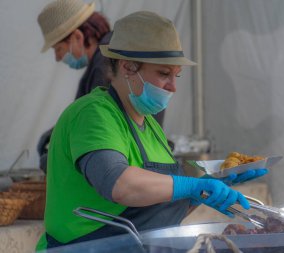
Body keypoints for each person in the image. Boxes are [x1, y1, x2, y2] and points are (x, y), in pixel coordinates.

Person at [35, 11, 268, 251]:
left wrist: (209, 186)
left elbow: (159, 211)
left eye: (176, 75)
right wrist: (191, 186)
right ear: (127, 67)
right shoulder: (93, 114)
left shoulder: (151, 127)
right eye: (164, 74)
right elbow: (118, 184)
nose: (173, 87)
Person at [35, 0, 165, 173]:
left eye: (58, 48)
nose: (57, 58)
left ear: (77, 37)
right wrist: (57, 131)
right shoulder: (113, 50)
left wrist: (57, 154)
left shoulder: (105, 64)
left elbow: (94, 124)